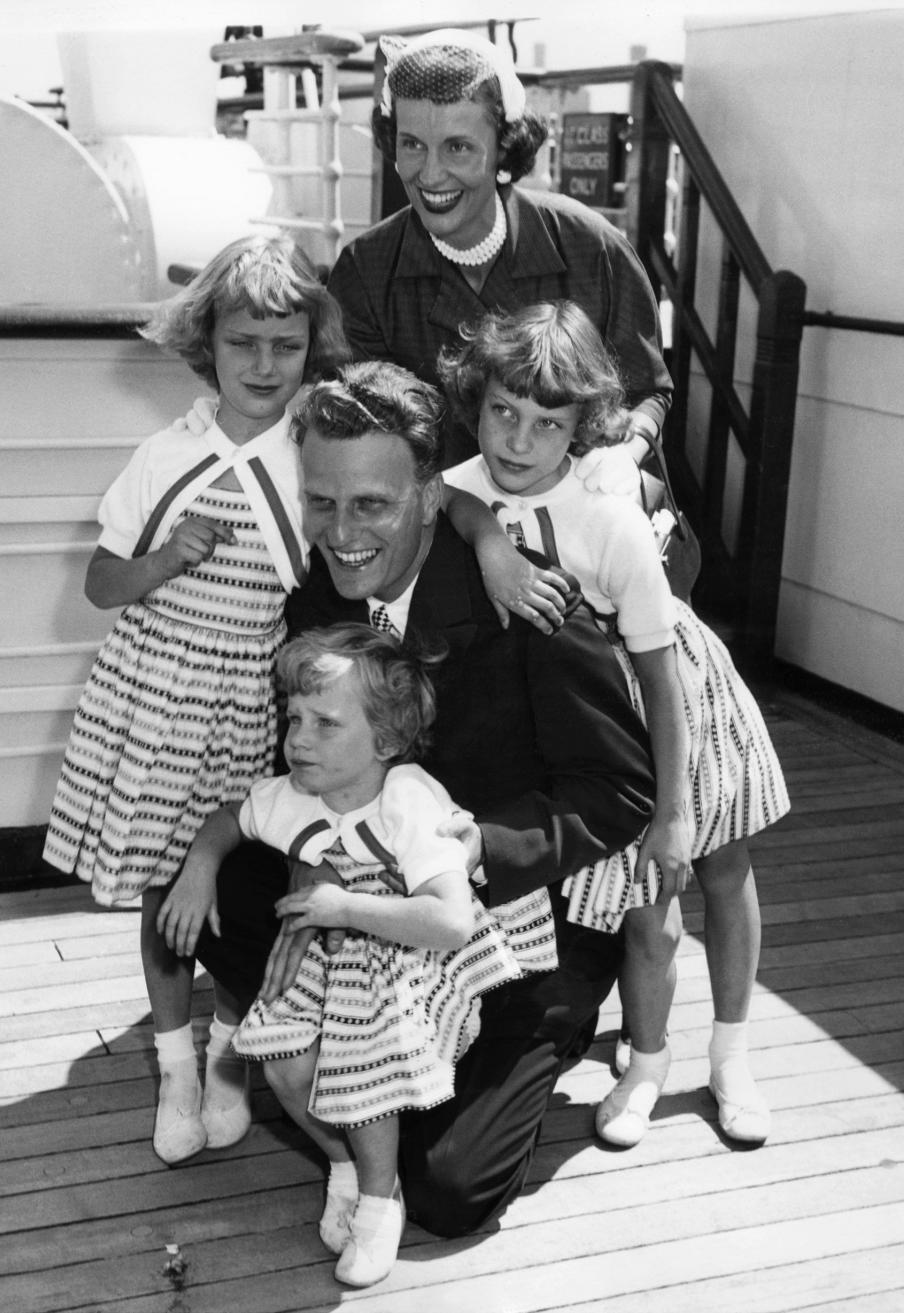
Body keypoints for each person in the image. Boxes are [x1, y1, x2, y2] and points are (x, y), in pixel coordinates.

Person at [192, 357, 657, 1239]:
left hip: (505, 926)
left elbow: (620, 786)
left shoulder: (529, 600)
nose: (341, 532)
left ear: (433, 495)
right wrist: (305, 875)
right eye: (322, 502)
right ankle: (337, 1053)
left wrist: (484, 843)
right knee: (213, 893)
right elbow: (297, 774)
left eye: (371, 504)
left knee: (443, 1189)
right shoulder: (318, 600)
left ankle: (531, 1042)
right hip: (370, 906)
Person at [439, 300, 791, 1148]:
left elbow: (661, 672)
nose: (517, 442)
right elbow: (449, 498)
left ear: (582, 428)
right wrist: (488, 537)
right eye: (502, 413)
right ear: (478, 404)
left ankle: (733, 1054)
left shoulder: (611, 520)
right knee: (645, 907)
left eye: (546, 423)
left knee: (713, 864)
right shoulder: (465, 486)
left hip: (672, 697)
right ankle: (647, 1057)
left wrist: (673, 811)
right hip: (595, 724)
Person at [42, 232, 352, 1165]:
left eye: (286, 345)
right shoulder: (165, 453)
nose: (264, 365)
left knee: (244, 886)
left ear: (310, 347)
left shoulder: (314, 453)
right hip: (155, 701)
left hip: (251, 705)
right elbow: (100, 584)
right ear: (205, 344)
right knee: (162, 890)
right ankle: (176, 1064)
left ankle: (230, 1057)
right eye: (242, 342)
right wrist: (168, 557)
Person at [168, 624, 557, 1286]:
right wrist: (202, 860)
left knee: (361, 1055)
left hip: (410, 945)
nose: (298, 738)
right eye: (293, 716)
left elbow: (449, 918)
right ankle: (343, 1161)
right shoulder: (293, 793)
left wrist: (345, 909)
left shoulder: (407, 797)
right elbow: (233, 814)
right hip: (330, 940)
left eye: (325, 722)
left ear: (386, 740)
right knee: (286, 1061)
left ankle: (381, 1199)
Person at [326, 27, 673, 469]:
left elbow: (648, 391)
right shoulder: (365, 272)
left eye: (458, 147)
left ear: (504, 148)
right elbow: (362, 433)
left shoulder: (593, 247)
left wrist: (625, 458)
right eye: (412, 145)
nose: (430, 175)